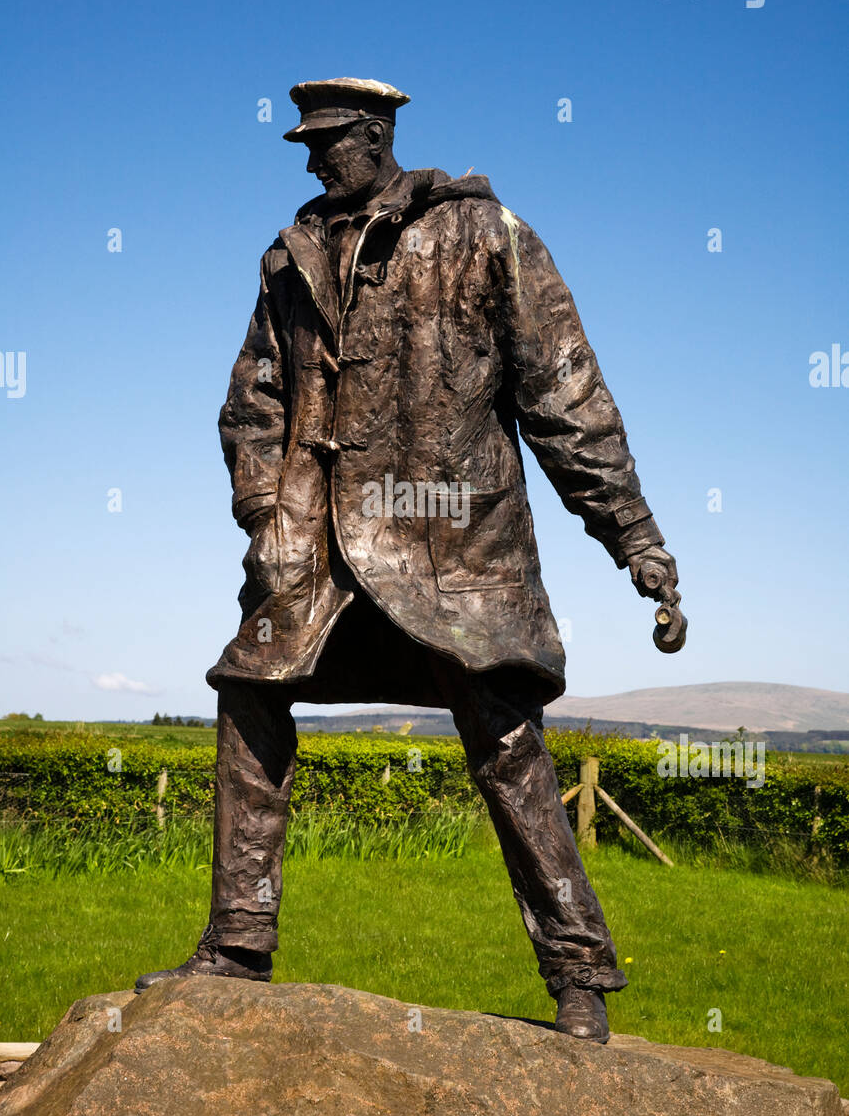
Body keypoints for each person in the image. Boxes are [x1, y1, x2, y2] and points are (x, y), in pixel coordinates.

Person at [135, 78, 682, 1043]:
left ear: (378, 133)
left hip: (453, 550)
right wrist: (266, 512)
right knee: (249, 692)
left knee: (506, 741)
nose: (310, 158)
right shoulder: (290, 254)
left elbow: (568, 399)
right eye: (305, 143)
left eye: (329, 140)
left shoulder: (483, 234)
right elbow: (254, 403)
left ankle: (578, 967)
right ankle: (236, 943)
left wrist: (632, 537)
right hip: (318, 554)